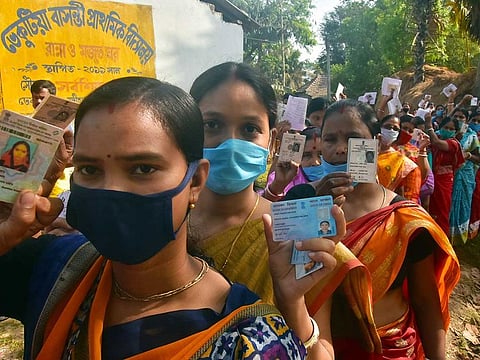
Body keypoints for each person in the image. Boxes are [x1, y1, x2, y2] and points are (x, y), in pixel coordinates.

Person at [0, 77, 317, 359]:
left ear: (194, 182)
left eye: (142, 168)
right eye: (90, 169)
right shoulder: (55, 269)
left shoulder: (250, 341)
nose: (111, 191)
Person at [189, 62, 341, 358]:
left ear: (271, 141)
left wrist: (292, 303)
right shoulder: (161, 221)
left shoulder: (296, 230)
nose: (230, 143)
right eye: (212, 125)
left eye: (249, 129)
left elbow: (324, 354)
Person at [293, 99, 459, 359]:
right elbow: (285, 281)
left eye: (352, 139)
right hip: (316, 346)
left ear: (376, 143)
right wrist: (316, 209)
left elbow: (426, 301)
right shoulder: (300, 201)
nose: (339, 149)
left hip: (389, 348)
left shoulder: (404, 219)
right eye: (330, 139)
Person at [425, 114, 465, 237]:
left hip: (444, 181)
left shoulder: (453, 143)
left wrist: (429, 126)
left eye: (451, 129)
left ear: (455, 132)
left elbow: (437, 143)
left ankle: (442, 240)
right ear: (441, 128)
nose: (448, 130)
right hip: (433, 178)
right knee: (431, 208)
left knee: (442, 210)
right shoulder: (436, 138)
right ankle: (431, 237)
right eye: (445, 127)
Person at [262, 126, 322, 202]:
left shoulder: (336, 178)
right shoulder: (283, 177)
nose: (315, 163)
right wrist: (279, 185)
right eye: (307, 155)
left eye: (321, 154)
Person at [449, 108, 480, 245]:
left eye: (462, 117)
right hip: (448, 174)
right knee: (446, 202)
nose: (459, 119)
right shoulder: (448, 132)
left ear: (466, 120)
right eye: (456, 116)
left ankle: (458, 236)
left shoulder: (472, 136)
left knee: (463, 203)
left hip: (465, 175)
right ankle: (443, 232)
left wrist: (468, 156)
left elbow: (478, 158)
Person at [377, 115, 421, 202]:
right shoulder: (363, 151)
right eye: (387, 127)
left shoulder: (403, 163)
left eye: (395, 129)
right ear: (379, 127)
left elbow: (406, 197)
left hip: (384, 205)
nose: (391, 130)